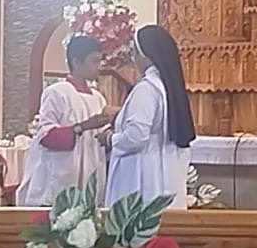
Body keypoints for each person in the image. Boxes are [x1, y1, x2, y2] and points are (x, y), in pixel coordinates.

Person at [104, 25, 196, 208]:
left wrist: (109, 139)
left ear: (146, 56)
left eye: (135, 53)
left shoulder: (146, 89)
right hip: (165, 172)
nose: (134, 59)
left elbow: (136, 137)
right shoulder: (167, 86)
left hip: (144, 178)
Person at [16, 35, 114, 206]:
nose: (99, 66)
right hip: (63, 173)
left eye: (100, 60)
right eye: (94, 61)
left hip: (91, 171)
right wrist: (82, 126)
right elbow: (46, 135)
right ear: (76, 62)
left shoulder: (98, 98)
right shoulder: (56, 92)